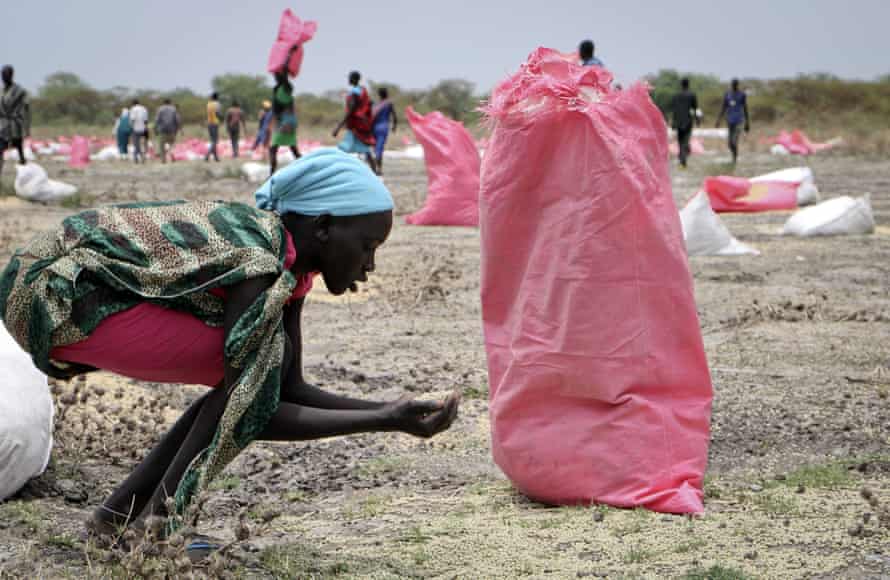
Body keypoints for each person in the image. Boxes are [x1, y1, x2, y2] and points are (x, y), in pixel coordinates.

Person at [0, 147, 461, 541]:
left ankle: (117, 520)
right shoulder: (259, 261)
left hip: (69, 289)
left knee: (256, 368)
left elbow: (290, 389)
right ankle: (155, 528)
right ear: (323, 227)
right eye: (367, 246)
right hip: (51, 292)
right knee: (248, 375)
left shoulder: (290, 269)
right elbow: (252, 407)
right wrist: (384, 420)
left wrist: (392, 410)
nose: (370, 265)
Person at [333, 71, 377, 174]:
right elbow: (368, 104)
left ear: (353, 79)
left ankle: (340, 172)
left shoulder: (355, 92)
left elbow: (352, 109)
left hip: (355, 126)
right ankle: (374, 172)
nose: (348, 80)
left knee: (343, 149)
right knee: (363, 150)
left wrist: (339, 126)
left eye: (349, 78)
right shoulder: (362, 91)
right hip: (359, 124)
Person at [270, 45, 302, 175]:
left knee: (274, 148)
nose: (275, 76)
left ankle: (271, 175)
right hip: (284, 120)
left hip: (287, 120)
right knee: (292, 148)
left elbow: (284, 71)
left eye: (277, 75)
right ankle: (305, 169)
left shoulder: (286, 87)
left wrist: (289, 53)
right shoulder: (277, 88)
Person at [0, 65, 31, 179]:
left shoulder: (19, 91)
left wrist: (27, 129)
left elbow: (26, 110)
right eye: (2, 75)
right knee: (1, 149)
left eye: (6, 75)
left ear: (11, 75)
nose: (3, 77)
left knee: (19, 151)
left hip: (15, 126)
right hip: (3, 126)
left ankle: (25, 176)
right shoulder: (2, 91)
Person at [715, 78, 750, 164]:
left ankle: (734, 158)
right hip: (730, 121)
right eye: (733, 84)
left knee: (734, 141)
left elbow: (745, 108)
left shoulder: (742, 95)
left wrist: (747, 122)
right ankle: (734, 156)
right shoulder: (727, 95)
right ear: (731, 85)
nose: (734, 86)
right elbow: (723, 108)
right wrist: (719, 120)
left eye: (735, 84)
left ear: (737, 85)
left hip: (739, 120)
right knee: (730, 143)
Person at [670, 78, 699, 168]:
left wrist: (673, 122)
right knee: (685, 141)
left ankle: (682, 157)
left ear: (681, 84)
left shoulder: (676, 96)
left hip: (678, 121)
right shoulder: (692, 95)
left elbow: (674, 110)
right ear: (688, 84)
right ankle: (683, 159)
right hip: (687, 121)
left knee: (680, 141)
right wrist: (697, 119)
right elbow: (695, 109)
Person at [371, 87, 398, 176]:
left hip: (374, 128)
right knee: (379, 149)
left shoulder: (376, 105)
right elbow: (394, 116)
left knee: (376, 148)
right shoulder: (389, 104)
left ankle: (377, 169)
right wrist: (394, 126)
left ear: (379, 95)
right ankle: (377, 169)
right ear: (387, 93)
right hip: (383, 127)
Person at [155, 99, 182, 164]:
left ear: (163, 103)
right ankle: (172, 155)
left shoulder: (160, 109)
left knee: (162, 145)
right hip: (171, 130)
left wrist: (156, 128)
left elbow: (157, 120)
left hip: (162, 130)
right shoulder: (174, 109)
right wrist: (179, 128)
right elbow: (177, 120)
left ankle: (163, 160)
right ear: (170, 103)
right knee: (171, 144)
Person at [129, 99, 149, 164]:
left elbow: (132, 119)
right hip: (144, 129)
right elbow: (146, 120)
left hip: (136, 129)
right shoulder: (144, 109)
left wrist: (131, 128)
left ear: (133, 104)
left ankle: (136, 158)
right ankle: (143, 157)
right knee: (144, 144)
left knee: (136, 144)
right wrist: (146, 128)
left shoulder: (133, 109)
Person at [205, 92, 222, 162]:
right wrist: (221, 119)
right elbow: (217, 113)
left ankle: (216, 157)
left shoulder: (208, 104)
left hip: (209, 123)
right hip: (215, 123)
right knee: (215, 141)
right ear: (217, 97)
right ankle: (207, 155)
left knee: (212, 140)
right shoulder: (217, 104)